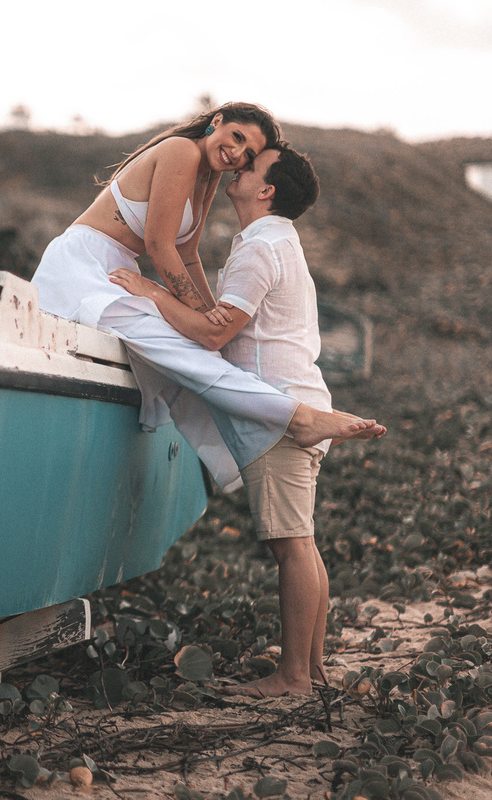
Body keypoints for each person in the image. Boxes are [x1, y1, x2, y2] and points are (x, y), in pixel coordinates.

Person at [109, 142, 373, 696]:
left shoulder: (260, 248)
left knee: (292, 545)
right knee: (304, 542)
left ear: (266, 190)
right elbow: (220, 320)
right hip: (297, 398)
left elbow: (214, 332)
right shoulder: (276, 242)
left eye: (250, 165)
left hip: (276, 413)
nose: (238, 166)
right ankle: (314, 667)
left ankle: (294, 676)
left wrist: (153, 292)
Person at [30, 102, 383, 494]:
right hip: (82, 268)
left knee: (202, 353)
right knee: (185, 353)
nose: (237, 153)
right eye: (236, 137)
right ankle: (298, 419)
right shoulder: (182, 151)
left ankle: (256, 448)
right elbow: (160, 246)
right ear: (216, 122)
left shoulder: (209, 173)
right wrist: (202, 318)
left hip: (115, 269)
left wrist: (209, 316)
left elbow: (188, 253)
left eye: (248, 154)